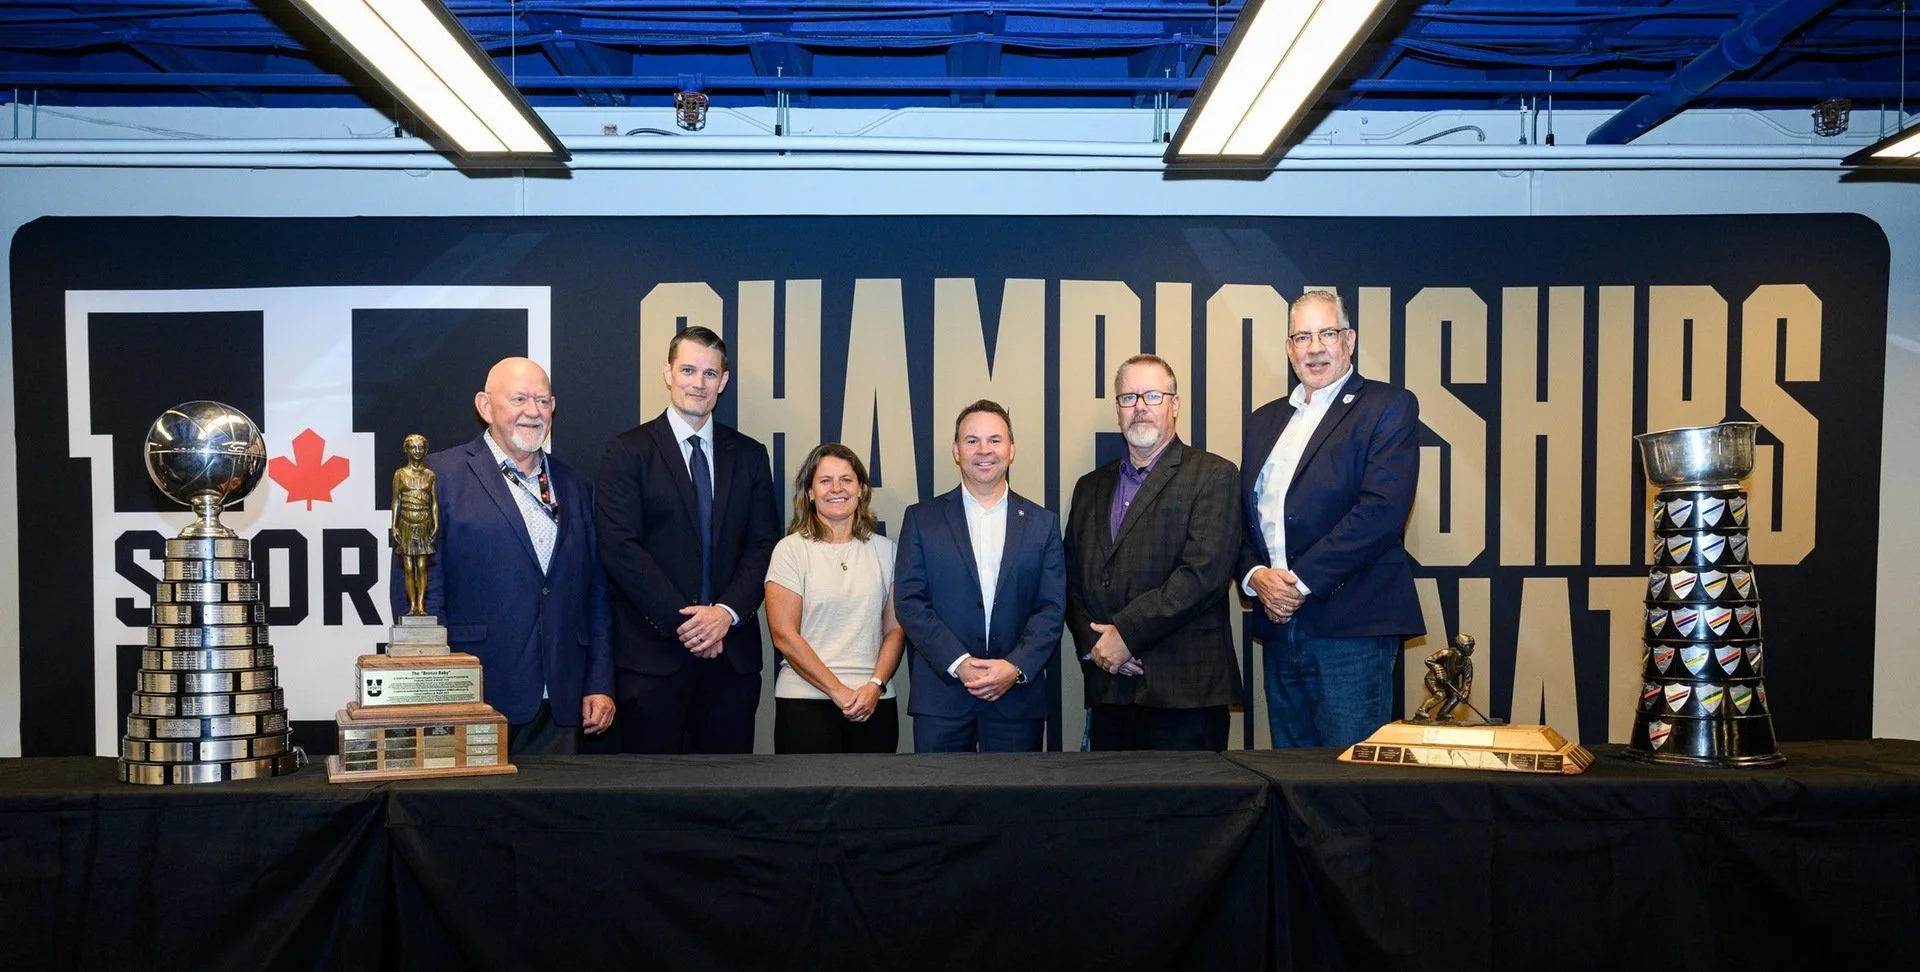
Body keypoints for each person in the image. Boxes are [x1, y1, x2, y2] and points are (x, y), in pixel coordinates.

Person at [387, 357, 614, 754]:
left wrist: (599, 681)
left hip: (561, 700)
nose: (533, 411)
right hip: (476, 694)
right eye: (520, 399)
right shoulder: (440, 478)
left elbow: (595, 593)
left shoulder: (575, 486)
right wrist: (439, 684)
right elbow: (419, 594)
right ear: (485, 406)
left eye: (543, 401)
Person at [1239, 289, 1423, 750]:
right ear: (1288, 348)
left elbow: (1380, 512)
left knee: (1350, 785)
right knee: (1292, 779)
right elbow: (1243, 517)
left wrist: (1296, 585)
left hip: (1352, 630)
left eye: (1327, 333)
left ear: (1350, 340)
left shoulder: (1387, 406)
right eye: (1302, 336)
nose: (1315, 347)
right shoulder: (1264, 421)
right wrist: (1256, 576)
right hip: (1278, 629)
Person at [596, 325, 782, 754]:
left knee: (728, 801)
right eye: (688, 370)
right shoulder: (627, 451)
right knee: (653, 803)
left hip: (730, 660)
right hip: (652, 659)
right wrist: (689, 623)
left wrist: (725, 614)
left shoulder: (750, 455)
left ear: (724, 381)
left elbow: (764, 544)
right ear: (668, 372)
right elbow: (620, 548)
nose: (698, 383)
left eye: (710, 373)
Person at [1065, 354, 1244, 751]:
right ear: (1118, 411)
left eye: (1152, 395)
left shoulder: (1213, 475)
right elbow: (1072, 580)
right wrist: (1098, 647)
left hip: (1186, 694)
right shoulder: (1089, 486)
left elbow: (1204, 575)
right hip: (1111, 688)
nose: (1140, 407)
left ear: (1175, 405)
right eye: (1128, 398)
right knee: (1116, 813)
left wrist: (1126, 635)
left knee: (1192, 812)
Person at [894, 400, 1066, 752]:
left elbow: (1051, 608)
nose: (984, 450)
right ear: (956, 451)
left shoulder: (1042, 523)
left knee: (1013, 807)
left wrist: (1014, 667)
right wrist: (959, 664)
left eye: (994, 440)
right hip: (941, 700)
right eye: (972, 441)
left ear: (1011, 449)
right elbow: (910, 601)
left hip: (1016, 700)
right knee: (938, 805)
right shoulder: (921, 519)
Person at [763, 443, 905, 753]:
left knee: (874, 801)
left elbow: (895, 630)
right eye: (825, 480)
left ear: (861, 490)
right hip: (804, 704)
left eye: (846, 479)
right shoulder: (790, 551)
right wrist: (837, 690)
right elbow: (784, 635)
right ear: (810, 492)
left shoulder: (886, 551)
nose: (836, 489)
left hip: (874, 703)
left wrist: (875, 686)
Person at [390, 433, 438, 618]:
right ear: (407, 450)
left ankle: (421, 606)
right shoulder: (400, 474)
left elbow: (433, 501)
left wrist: (436, 523)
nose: (417, 451)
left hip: (424, 522)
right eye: (413, 447)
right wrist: (393, 524)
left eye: (420, 447)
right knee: (409, 567)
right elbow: (396, 500)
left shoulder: (430, 475)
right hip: (406, 524)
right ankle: (411, 606)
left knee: (422, 566)